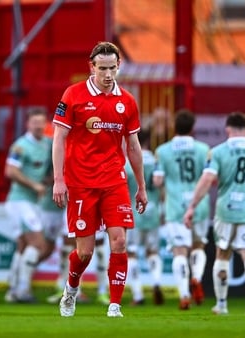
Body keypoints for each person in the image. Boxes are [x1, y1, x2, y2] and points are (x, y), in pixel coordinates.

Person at [52, 41, 148, 318]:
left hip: (114, 180)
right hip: (80, 182)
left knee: (119, 241)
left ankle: (115, 306)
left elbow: (133, 146)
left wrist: (140, 187)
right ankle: (70, 290)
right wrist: (59, 180)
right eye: (102, 68)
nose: (108, 74)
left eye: (112, 68)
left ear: (119, 66)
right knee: (85, 252)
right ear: (91, 67)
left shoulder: (127, 101)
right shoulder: (73, 95)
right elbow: (59, 139)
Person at [184, 112, 245, 315]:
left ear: (228, 129)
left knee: (222, 255)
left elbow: (207, 180)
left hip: (226, 211)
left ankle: (222, 304)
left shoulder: (217, 152)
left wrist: (192, 206)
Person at [153, 110, 211, 310]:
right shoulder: (204, 149)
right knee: (198, 246)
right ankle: (196, 277)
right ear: (192, 128)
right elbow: (209, 177)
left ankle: (184, 295)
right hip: (199, 205)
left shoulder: (163, 151)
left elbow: (158, 180)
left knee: (179, 251)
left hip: (175, 206)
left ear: (174, 127)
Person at [3, 108, 52, 303]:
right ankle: (23, 289)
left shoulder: (48, 144)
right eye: (35, 123)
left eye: (41, 122)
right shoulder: (20, 146)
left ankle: (13, 288)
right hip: (19, 201)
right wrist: (34, 185)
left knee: (23, 246)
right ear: (28, 124)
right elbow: (10, 171)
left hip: (32, 202)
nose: (38, 126)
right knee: (38, 244)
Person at [125, 129, 165, 306]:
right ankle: (156, 282)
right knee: (153, 252)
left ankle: (138, 294)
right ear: (149, 141)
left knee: (131, 253)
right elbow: (161, 188)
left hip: (134, 212)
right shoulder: (157, 162)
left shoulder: (128, 163)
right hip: (154, 210)